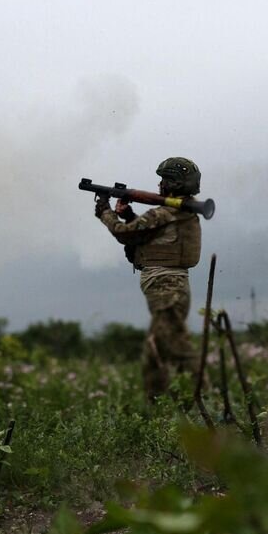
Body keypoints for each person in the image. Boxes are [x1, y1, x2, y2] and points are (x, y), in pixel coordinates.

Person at [95, 157, 202, 401]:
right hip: (171, 285)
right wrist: (130, 214)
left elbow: (124, 234)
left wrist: (106, 213)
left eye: (164, 179)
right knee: (155, 352)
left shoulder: (166, 213)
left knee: (177, 346)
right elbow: (147, 236)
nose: (160, 184)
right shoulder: (184, 212)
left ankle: (203, 401)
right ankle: (159, 408)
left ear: (173, 183)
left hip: (166, 286)